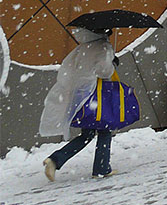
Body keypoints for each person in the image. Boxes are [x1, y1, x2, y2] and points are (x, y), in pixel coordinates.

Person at [38, 27, 117, 180]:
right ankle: (101, 168)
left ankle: (55, 160)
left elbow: (73, 69)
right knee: (105, 130)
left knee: (86, 134)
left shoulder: (82, 47)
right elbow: (105, 72)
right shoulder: (104, 47)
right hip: (97, 94)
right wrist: (112, 62)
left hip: (81, 95)